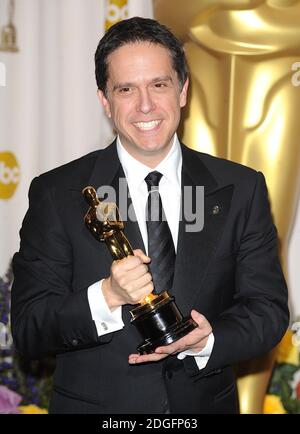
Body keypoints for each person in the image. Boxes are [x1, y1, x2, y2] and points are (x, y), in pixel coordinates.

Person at [11, 17, 289, 414]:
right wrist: (106, 296)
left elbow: (268, 310)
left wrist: (208, 340)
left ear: (183, 91)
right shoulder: (57, 194)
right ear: (105, 101)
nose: (145, 105)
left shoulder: (241, 188)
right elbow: (28, 329)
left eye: (159, 85)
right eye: (126, 89)